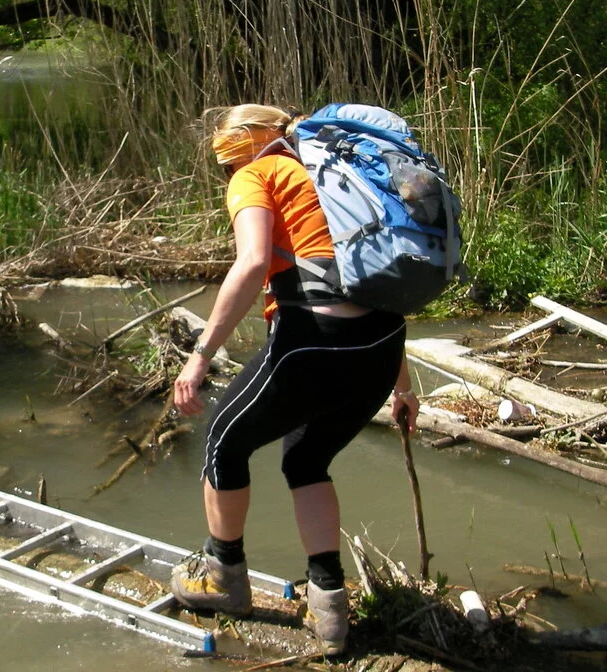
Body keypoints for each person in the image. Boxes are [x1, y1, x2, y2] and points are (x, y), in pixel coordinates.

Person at [170, 104, 420, 655]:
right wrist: (403, 386)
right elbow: (377, 286)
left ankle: (223, 578)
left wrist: (199, 356)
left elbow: (253, 262)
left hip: (314, 339)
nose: (225, 177)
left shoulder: (256, 174)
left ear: (238, 151)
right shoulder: (335, 176)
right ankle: (329, 611)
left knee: (222, 441)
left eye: (223, 166)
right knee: (306, 459)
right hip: (381, 347)